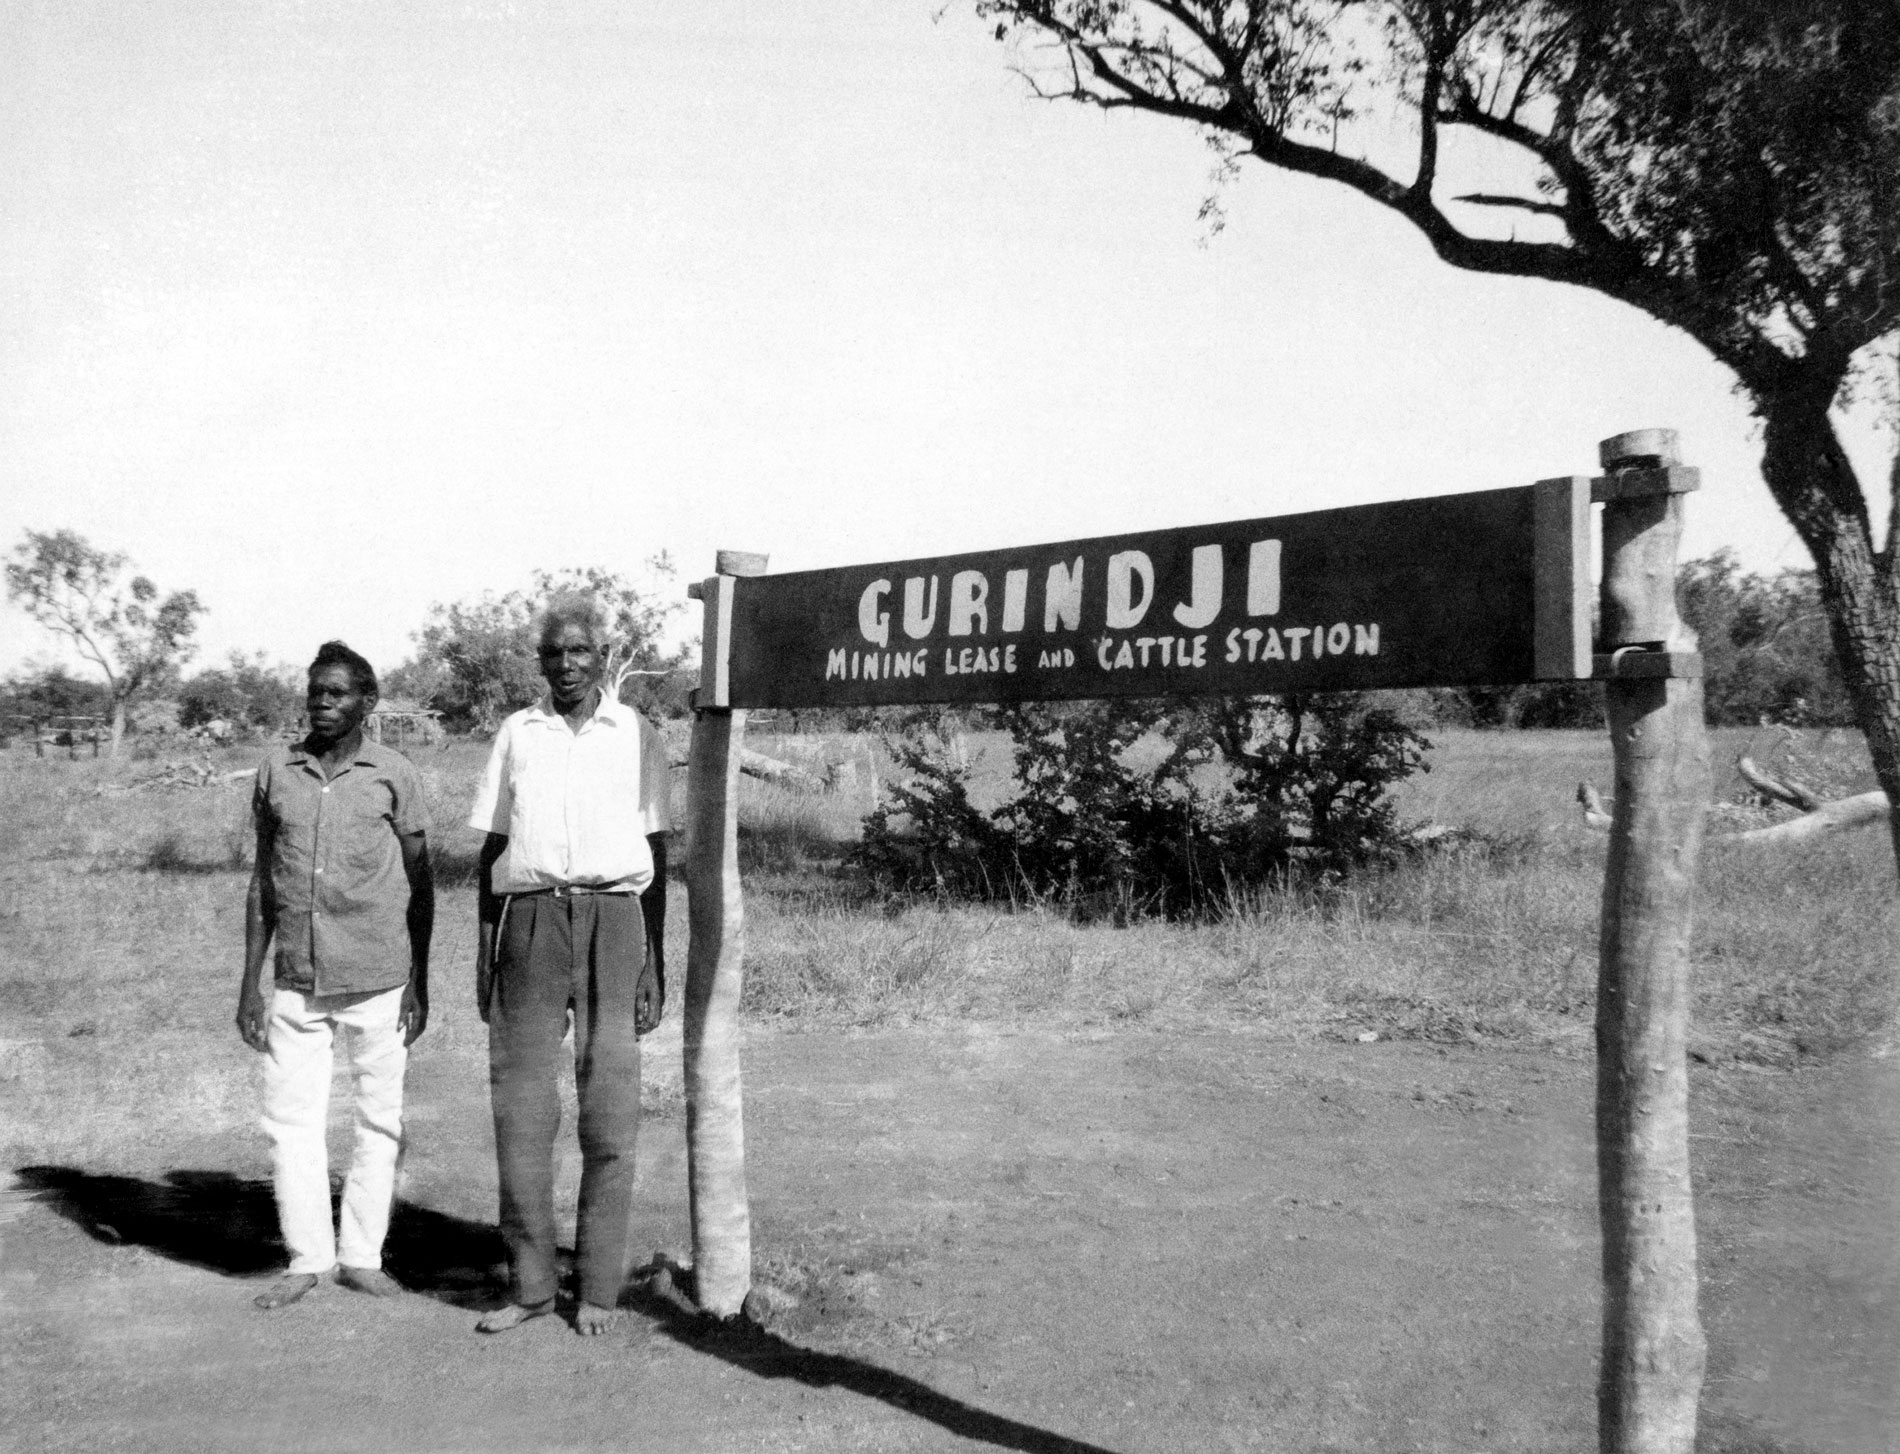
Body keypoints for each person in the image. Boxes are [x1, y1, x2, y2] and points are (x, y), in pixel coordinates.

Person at [467, 594, 670, 1336]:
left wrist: (654, 962)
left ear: (602, 656)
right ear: (540, 662)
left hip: (616, 921)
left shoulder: (635, 732)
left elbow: (661, 851)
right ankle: (528, 1287)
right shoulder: (517, 734)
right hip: (529, 922)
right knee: (521, 1112)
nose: (567, 665)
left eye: (580, 651)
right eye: (554, 653)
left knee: (610, 1113)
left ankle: (598, 1289)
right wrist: (486, 955)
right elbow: (491, 849)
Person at [236, 641, 434, 1311]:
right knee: (289, 1123)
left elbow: (421, 881)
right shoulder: (277, 773)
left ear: (367, 704)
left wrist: (419, 979)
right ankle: (306, 1258)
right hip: (296, 979)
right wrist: (248, 984)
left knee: (379, 1122)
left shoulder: (394, 774)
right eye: (315, 691)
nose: (322, 702)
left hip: (379, 977)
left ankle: (361, 1256)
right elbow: (263, 881)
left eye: (337, 693)